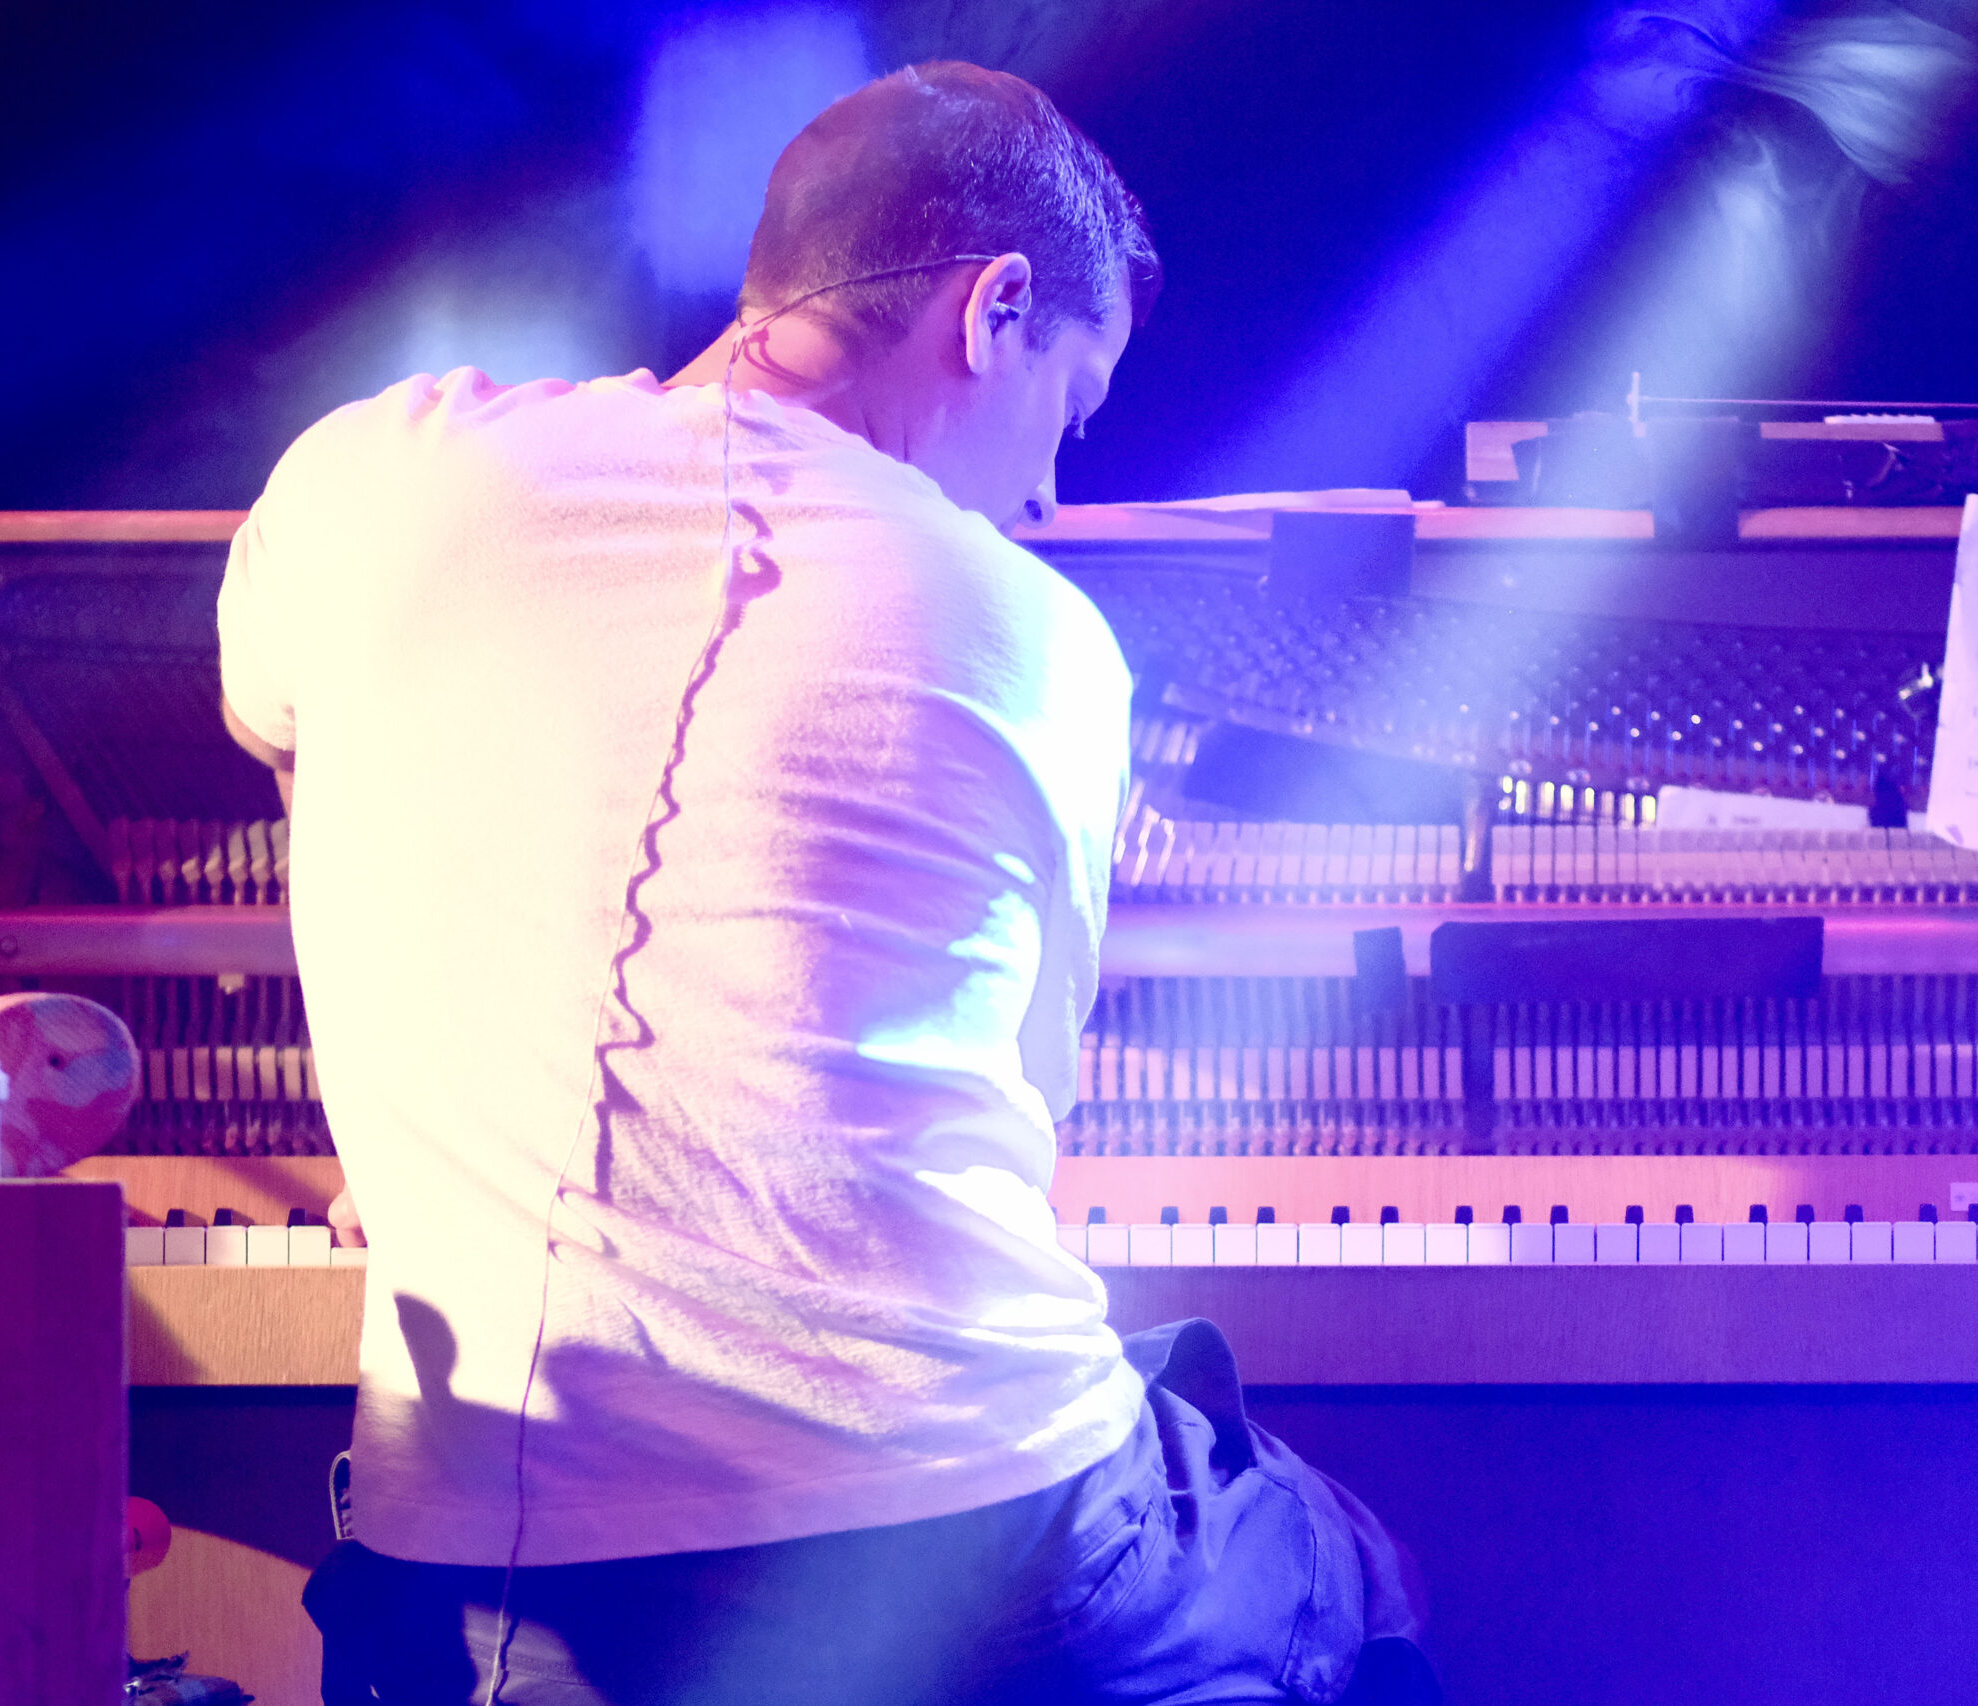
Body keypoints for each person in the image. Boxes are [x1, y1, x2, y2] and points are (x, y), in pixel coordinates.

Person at [223, 61, 1436, 1706]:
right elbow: (1023, 1108)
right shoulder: (1036, 633)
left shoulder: (374, 475)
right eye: (1069, 408)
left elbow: (278, 724)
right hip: (968, 1534)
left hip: (475, 1563)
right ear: (994, 309)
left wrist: (424, 1085)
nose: (1050, 490)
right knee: (1344, 1563)